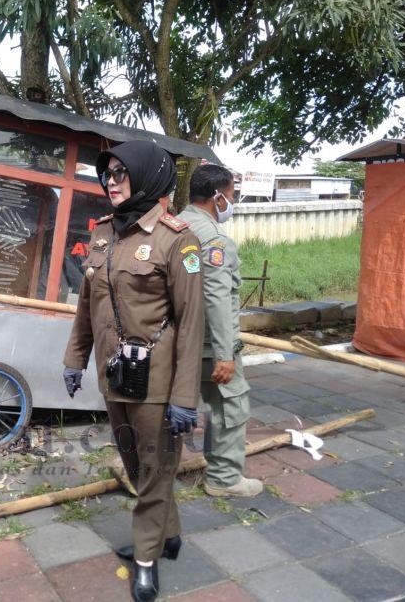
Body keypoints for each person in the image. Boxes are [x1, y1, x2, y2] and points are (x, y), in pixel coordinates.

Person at [62, 141, 205, 602]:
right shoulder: (104, 232)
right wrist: (73, 359)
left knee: (154, 467)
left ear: (147, 176)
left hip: (158, 385)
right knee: (140, 466)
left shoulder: (177, 239)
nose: (112, 181)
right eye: (108, 173)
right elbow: (87, 306)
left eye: (122, 173)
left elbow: (191, 324)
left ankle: (147, 562)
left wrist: (185, 396)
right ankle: (170, 535)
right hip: (115, 378)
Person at [177, 165, 263, 498]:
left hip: (176, 338)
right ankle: (225, 479)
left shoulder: (173, 226)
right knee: (230, 405)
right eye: (231, 195)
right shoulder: (212, 238)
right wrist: (226, 354)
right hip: (209, 344)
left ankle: (154, 473)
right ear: (217, 197)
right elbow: (215, 295)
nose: (232, 201)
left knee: (172, 405)